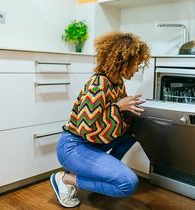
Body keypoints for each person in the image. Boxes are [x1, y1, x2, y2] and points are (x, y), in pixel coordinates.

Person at [50, 32, 151, 208]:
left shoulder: (117, 82)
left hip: (91, 144)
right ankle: (66, 179)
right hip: (73, 147)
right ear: (123, 61)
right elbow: (86, 127)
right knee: (128, 183)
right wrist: (118, 107)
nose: (137, 68)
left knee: (135, 130)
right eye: (136, 63)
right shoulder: (98, 84)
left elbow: (117, 121)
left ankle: (98, 174)